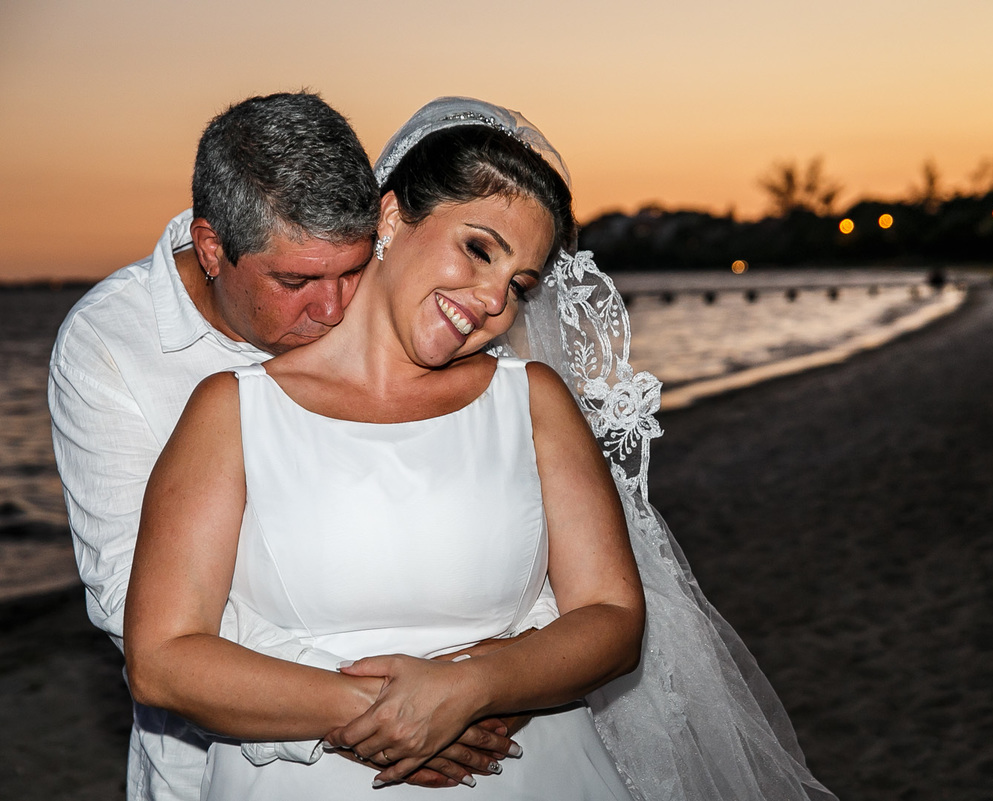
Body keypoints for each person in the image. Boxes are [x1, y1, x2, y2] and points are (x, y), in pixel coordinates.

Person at [126, 97, 837, 800]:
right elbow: (162, 659)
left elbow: (614, 620)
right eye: (478, 249)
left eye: (518, 284)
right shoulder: (232, 411)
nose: (493, 300)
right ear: (392, 214)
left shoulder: (532, 401)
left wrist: (475, 686)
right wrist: (394, 712)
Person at [49, 92, 524, 801]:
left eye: (352, 271)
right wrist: (390, 708)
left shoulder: (392, 299)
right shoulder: (109, 349)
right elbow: (135, 607)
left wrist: (471, 682)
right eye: (297, 281)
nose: (333, 311)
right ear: (213, 248)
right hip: (217, 763)